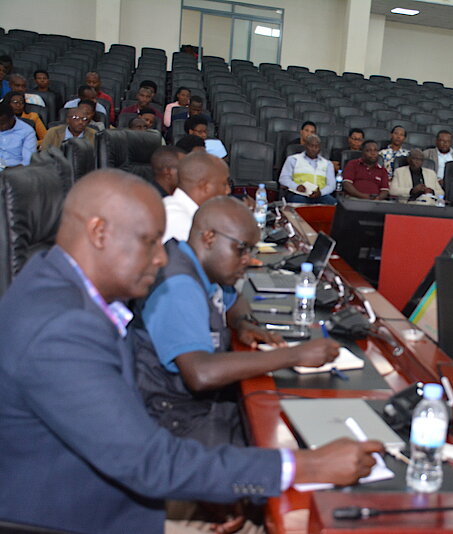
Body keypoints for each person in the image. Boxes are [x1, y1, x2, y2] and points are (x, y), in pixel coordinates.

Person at [0, 169, 381, 533]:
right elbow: (150, 463)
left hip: (116, 487)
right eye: (150, 241)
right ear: (99, 232)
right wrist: (305, 465)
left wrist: (209, 486)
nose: (162, 257)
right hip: (87, 517)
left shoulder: (56, 286)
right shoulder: (61, 329)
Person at [135, 196, 340, 447]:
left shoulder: (199, 265)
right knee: (289, 441)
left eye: (251, 250)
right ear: (209, 238)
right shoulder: (179, 287)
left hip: (195, 407)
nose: (248, 259)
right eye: (241, 249)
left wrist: (243, 323)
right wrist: (295, 355)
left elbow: (234, 300)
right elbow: (201, 373)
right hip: (174, 425)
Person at [162, 151, 231, 243]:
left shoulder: (181, 209)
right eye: (224, 184)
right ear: (204, 186)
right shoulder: (178, 219)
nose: (228, 191)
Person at [278, 133, 337, 205]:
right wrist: (296, 186)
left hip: (320, 195)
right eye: (311, 146)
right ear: (305, 146)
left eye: (316, 147)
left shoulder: (328, 164)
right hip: (299, 194)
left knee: (332, 203)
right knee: (298, 202)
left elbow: (331, 185)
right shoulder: (293, 159)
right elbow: (283, 179)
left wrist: (321, 192)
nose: (314, 149)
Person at [0, 100, 36, 166]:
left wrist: (8, 169)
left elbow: (28, 162)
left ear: (12, 118)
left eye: (2, 124)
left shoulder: (27, 132)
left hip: (15, 169)